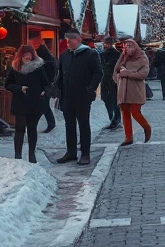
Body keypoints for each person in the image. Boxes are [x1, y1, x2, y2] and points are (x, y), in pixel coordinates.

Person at [55, 30, 103, 165]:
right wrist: (58, 88)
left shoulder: (90, 54)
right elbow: (60, 73)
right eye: (66, 41)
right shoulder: (65, 55)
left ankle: (85, 154)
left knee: (83, 125)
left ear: (78, 39)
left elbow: (98, 73)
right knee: (69, 125)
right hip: (67, 96)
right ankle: (71, 152)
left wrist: (90, 89)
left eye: (70, 41)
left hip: (82, 96)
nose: (68, 43)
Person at [4, 45, 51, 163]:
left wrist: (44, 91)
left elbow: (46, 83)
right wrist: (20, 88)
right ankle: (18, 155)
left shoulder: (39, 67)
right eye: (24, 56)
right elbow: (8, 84)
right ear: (20, 56)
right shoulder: (15, 68)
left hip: (35, 101)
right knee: (19, 128)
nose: (27, 58)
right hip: (20, 101)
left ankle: (31, 154)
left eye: (29, 56)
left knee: (32, 128)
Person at [113, 38, 152, 146]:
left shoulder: (142, 58)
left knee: (135, 112)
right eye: (126, 46)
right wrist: (118, 75)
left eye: (131, 46)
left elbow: (143, 75)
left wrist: (127, 73)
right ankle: (128, 137)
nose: (128, 48)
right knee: (125, 112)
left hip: (135, 90)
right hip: (123, 90)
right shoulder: (123, 57)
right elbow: (115, 72)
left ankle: (146, 127)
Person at [30, 37, 58, 133]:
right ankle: (50, 123)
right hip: (47, 85)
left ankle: (36, 124)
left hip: (44, 85)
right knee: (44, 105)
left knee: (42, 105)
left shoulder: (43, 59)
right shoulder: (49, 57)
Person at [98, 39, 122, 130]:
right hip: (115, 80)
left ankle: (112, 119)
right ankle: (116, 119)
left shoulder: (104, 55)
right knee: (115, 100)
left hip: (108, 80)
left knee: (108, 100)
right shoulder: (118, 54)